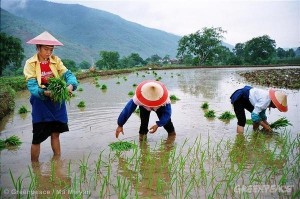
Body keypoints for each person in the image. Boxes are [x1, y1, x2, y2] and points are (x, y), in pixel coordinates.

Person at [23, 31, 78, 161]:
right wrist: (45, 92)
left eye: (51, 49)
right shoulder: (30, 63)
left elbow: (69, 75)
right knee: (37, 137)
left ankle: (57, 162)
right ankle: (35, 167)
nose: (49, 52)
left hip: (56, 103)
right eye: (46, 49)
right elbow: (32, 86)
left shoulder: (56, 61)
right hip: (41, 104)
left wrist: (70, 86)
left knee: (55, 134)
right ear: (38, 48)